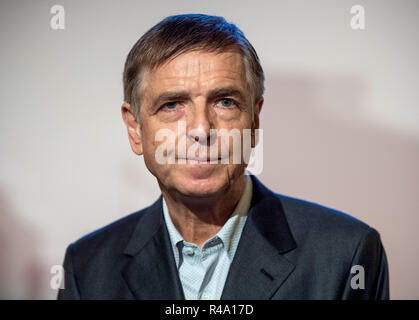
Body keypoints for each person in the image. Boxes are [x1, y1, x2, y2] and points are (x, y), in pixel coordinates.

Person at [57, 14, 389, 300]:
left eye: (225, 102)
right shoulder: (86, 268)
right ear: (135, 128)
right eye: (172, 105)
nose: (201, 129)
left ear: (255, 121)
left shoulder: (347, 255)